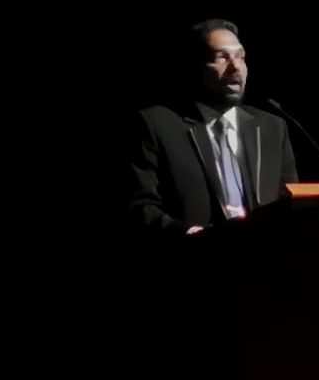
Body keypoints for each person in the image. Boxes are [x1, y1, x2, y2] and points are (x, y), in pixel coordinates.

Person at [127, 18, 298, 240]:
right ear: (195, 66)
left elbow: (292, 202)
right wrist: (186, 234)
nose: (236, 67)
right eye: (222, 57)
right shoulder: (157, 124)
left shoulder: (272, 128)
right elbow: (140, 205)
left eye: (240, 57)